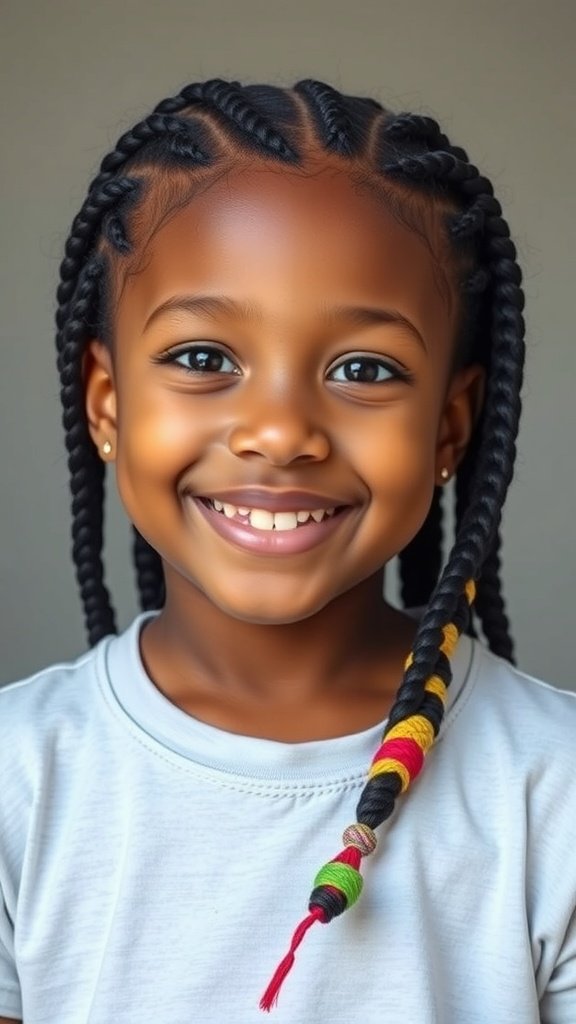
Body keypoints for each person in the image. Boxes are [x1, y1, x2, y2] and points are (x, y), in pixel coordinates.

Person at [0, 77, 574, 1024]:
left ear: (450, 427)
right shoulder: (22, 776)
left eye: (364, 369)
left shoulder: (553, 791)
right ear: (106, 402)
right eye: (202, 358)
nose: (278, 431)